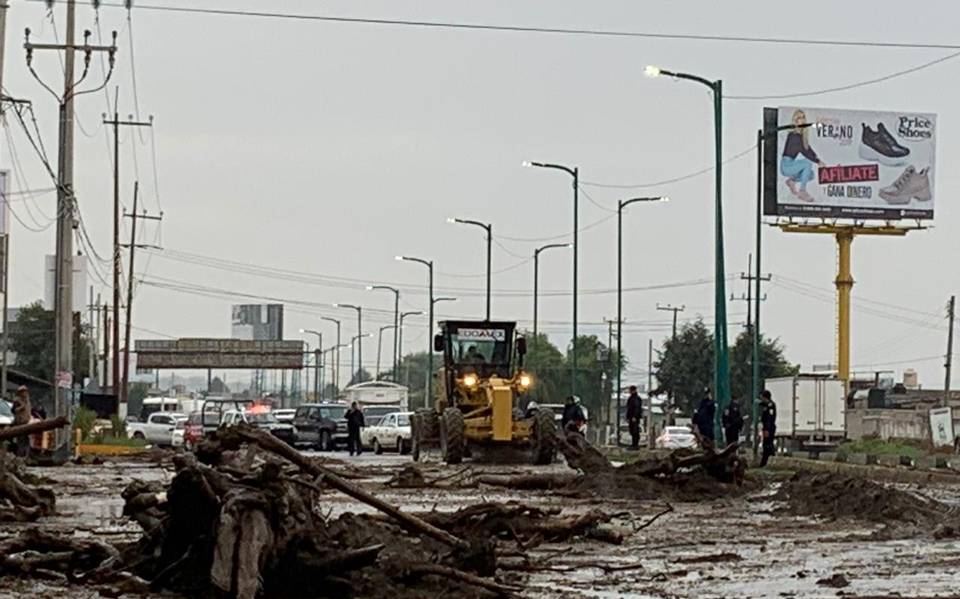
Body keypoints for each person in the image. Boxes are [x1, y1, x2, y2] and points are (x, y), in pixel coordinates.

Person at [780, 109, 825, 203]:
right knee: (807, 163)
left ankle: (792, 181)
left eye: (803, 117)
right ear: (795, 120)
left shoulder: (800, 136)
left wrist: (818, 160)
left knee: (811, 174)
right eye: (799, 118)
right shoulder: (793, 135)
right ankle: (802, 191)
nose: (802, 119)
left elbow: (807, 148)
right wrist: (818, 161)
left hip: (791, 164)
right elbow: (805, 151)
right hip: (786, 165)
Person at [11, 386, 32, 457]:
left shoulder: (27, 400)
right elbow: (13, 410)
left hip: (27, 422)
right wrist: (21, 407)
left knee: (27, 439)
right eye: (23, 391)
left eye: (26, 391)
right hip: (20, 422)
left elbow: (29, 410)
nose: (25, 393)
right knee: (21, 439)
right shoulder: (17, 400)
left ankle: (26, 455)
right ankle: (20, 455)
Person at [759, 390, 778, 467]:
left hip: (769, 428)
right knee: (766, 444)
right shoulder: (767, 405)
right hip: (766, 427)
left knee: (768, 444)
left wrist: (767, 429)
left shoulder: (770, 405)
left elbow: (770, 418)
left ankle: (767, 461)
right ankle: (766, 461)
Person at [625, 385, 643, 450]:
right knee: (632, 430)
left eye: (630, 390)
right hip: (631, 417)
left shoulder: (636, 398)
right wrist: (628, 417)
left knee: (635, 431)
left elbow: (637, 408)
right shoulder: (631, 398)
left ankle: (635, 445)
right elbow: (629, 408)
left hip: (634, 417)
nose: (629, 391)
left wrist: (635, 416)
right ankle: (633, 444)